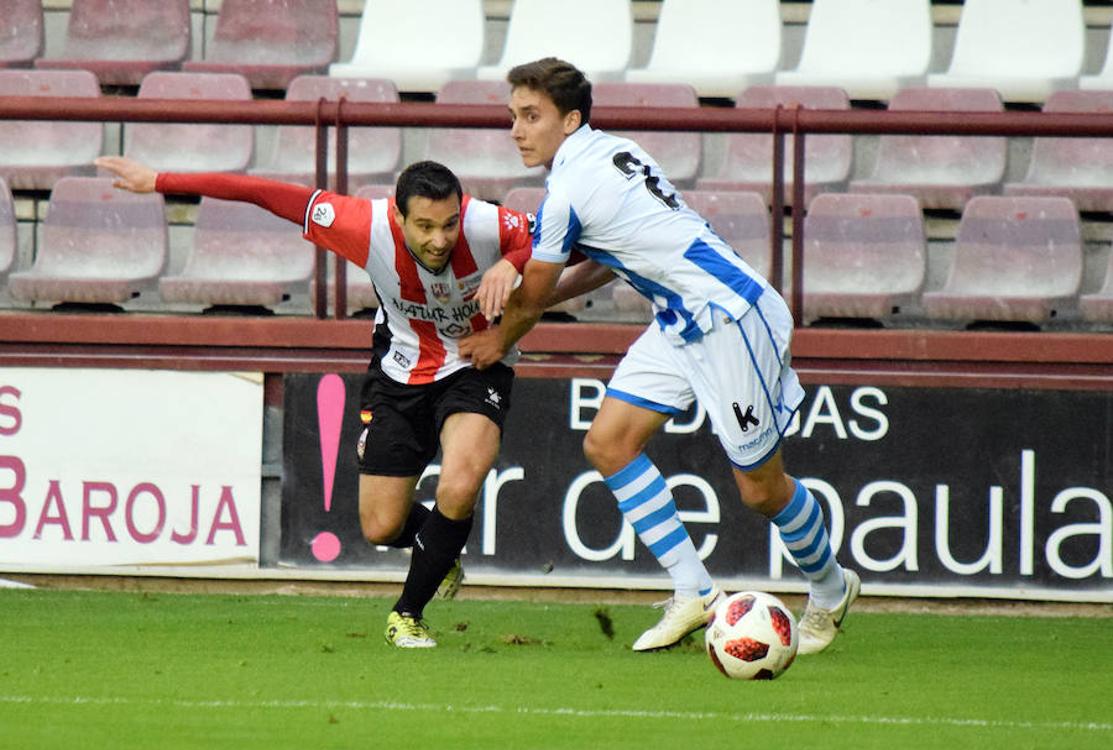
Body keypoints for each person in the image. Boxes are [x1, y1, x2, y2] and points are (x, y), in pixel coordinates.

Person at [459, 58, 861, 655]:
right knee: (608, 443)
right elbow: (603, 260)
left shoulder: (571, 185)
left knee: (759, 490)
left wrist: (498, 338)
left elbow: (537, 291)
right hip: (679, 319)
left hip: (729, 316)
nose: (517, 129)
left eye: (531, 116)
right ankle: (693, 590)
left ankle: (830, 587)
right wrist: (525, 288)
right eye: (513, 116)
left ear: (570, 120)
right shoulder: (608, 154)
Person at [96, 155, 536, 649]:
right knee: (381, 525)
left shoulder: (486, 223)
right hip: (400, 371)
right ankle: (438, 549)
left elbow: (547, 237)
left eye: (450, 224)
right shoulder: (361, 224)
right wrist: (160, 180)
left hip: (475, 365)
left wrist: (511, 261)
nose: (440, 239)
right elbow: (262, 192)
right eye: (425, 226)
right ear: (397, 216)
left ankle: (407, 614)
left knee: (460, 480)